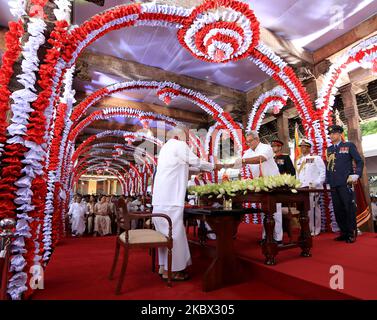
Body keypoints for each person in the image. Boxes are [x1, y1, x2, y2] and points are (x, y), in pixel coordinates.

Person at [152, 127, 221, 281]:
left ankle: (164, 267)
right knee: (175, 235)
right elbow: (195, 161)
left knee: (164, 236)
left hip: (160, 201)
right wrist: (214, 166)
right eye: (189, 137)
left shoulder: (165, 149)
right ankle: (174, 271)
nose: (190, 140)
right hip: (171, 199)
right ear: (179, 135)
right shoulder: (179, 145)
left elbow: (184, 167)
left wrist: (198, 170)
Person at [234, 130, 283, 244]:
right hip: (261, 184)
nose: (249, 143)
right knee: (265, 211)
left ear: (257, 139)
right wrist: (224, 166)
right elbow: (240, 164)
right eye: (247, 142)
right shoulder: (247, 152)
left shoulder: (266, 148)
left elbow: (260, 159)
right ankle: (266, 236)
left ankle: (277, 238)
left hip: (274, 182)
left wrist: (243, 160)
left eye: (251, 141)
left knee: (276, 211)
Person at [326, 125, 364, 243]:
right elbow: (329, 167)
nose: (331, 136)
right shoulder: (329, 149)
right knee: (338, 209)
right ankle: (343, 232)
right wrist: (328, 181)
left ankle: (351, 232)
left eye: (334, 133)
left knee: (348, 207)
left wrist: (356, 174)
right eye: (330, 134)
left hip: (345, 182)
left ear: (340, 134)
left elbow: (359, 161)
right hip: (334, 183)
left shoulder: (348, 146)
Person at [296, 139, 326, 236]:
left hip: (312, 187)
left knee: (313, 209)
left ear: (309, 148)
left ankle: (315, 229)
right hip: (302, 188)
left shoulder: (315, 158)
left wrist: (317, 183)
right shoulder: (298, 161)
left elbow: (322, 172)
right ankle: (306, 228)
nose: (303, 148)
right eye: (301, 146)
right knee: (304, 210)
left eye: (305, 146)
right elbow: (298, 175)